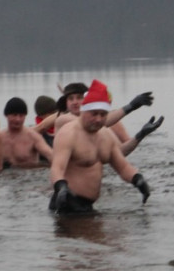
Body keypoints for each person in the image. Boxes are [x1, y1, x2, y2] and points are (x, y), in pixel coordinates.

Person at [49, 79, 151, 213]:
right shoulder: (68, 133)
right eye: (94, 114)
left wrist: (138, 180)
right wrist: (60, 186)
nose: (98, 119)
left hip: (87, 206)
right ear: (84, 112)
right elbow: (57, 167)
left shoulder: (106, 136)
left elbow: (123, 166)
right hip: (66, 202)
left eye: (103, 115)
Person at [54, 82, 163, 156]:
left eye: (79, 97)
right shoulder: (63, 120)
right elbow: (92, 122)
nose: (74, 102)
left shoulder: (101, 130)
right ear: (66, 103)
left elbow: (120, 152)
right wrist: (130, 106)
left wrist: (140, 135)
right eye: (70, 99)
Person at [0, 97, 53, 168]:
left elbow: (51, 155)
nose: (18, 119)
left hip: (30, 175)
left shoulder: (33, 137)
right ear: (6, 115)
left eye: (21, 116)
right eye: (14, 115)